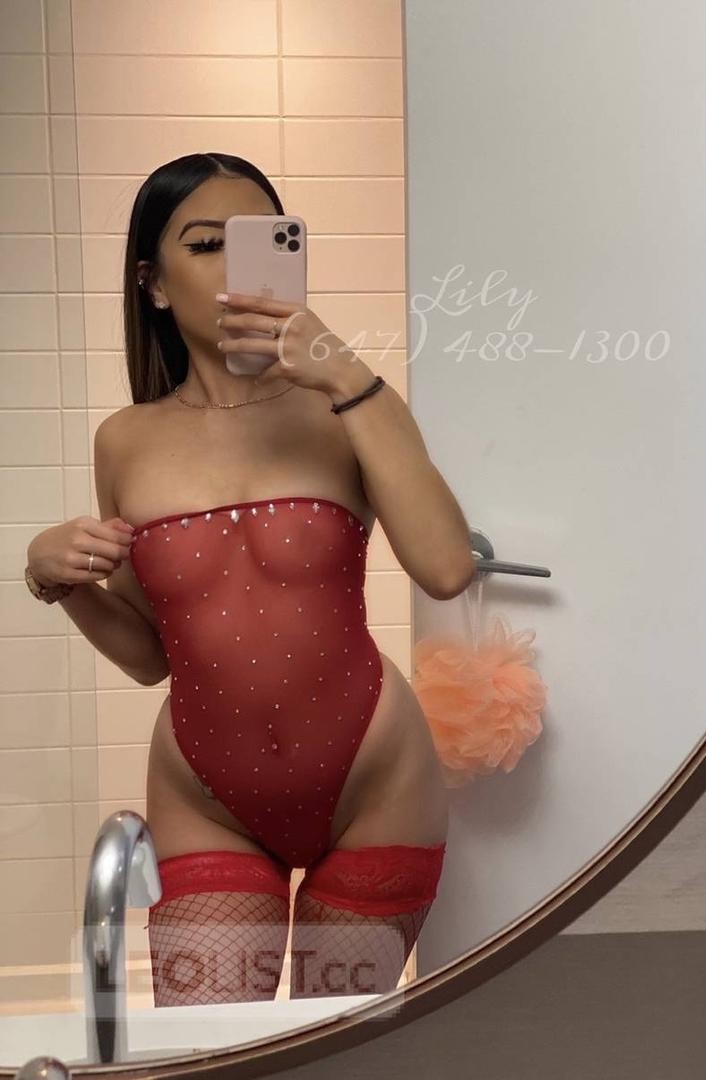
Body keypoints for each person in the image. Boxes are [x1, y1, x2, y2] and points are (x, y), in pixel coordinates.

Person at [24, 152, 475, 1005]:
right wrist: (59, 581)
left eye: (260, 241)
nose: (237, 269)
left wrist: (348, 374)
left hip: (375, 784)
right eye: (207, 246)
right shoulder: (125, 439)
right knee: (209, 1051)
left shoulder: (348, 406)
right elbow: (149, 656)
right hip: (206, 798)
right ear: (154, 285)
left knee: (330, 1053)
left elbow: (447, 567)